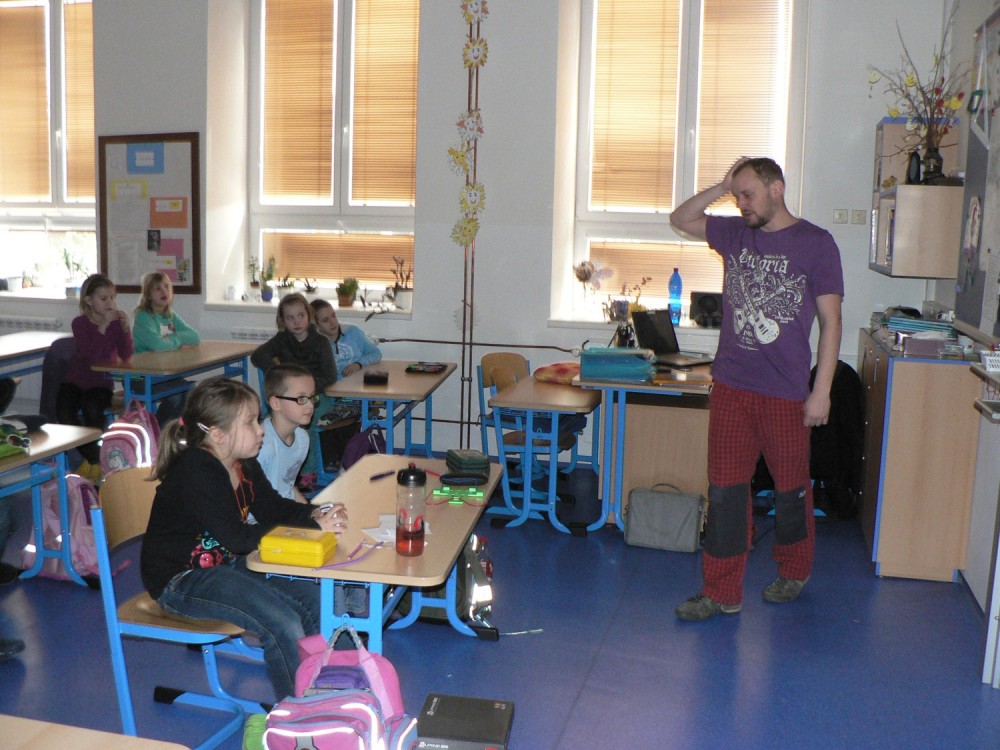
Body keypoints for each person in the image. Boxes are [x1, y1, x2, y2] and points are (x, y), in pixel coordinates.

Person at [669, 156, 844, 621]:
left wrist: (821, 391)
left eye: (748, 194)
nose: (741, 204)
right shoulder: (735, 233)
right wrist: (721, 186)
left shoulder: (816, 244)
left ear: (776, 189)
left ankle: (794, 569)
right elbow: (681, 218)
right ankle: (721, 591)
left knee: (791, 492)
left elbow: (831, 322)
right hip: (731, 388)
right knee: (726, 494)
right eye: (737, 196)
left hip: (786, 392)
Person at [139, 376, 346, 701]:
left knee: (315, 597)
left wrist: (315, 514)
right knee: (282, 622)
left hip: (225, 565)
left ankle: (328, 689)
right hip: (180, 580)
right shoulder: (197, 471)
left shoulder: (242, 462)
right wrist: (312, 528)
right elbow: (237, 538)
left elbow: (272, 507)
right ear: (217, 434)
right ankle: (298, 714)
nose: (260, 429)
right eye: (250, 422)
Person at [251, 293, 337, 491]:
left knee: (307, 424)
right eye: (290, 318)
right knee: (270, 423)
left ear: (309, 316)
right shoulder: (282, 339)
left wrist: (306, 391)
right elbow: (258, 355)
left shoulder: (320, 342)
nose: (296, 322)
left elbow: (330, 376)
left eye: (300, 316)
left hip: (317, 396)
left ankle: (307, 473)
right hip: (288, 396)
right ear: (282, 321)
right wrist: (279, 374)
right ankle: (271, 470)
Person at [57, 273, 134, 482]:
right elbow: (91, 354)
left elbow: (126, 354)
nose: (110, 303)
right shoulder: (79, 323)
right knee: (64, 412)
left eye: (112, 298)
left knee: (92, 408)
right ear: (89, 300)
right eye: (104, 298)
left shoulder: (116, 324)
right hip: (75, 380)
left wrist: (125, 330)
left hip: (100, 382)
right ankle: (92, 459)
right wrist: (102, 328)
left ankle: (96, 461)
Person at [132, 272, 201, 425]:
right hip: (138, 376)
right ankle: (158, 433)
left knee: (190, 390)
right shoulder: (143, 316)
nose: (164, 291)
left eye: (167, 287)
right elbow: (157, 345)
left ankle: (171, 431)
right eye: (157, 289)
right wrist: (178, 340)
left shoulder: (170, 315)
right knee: (174, 397)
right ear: (148, 295)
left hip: (162, 374)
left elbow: (195, 337)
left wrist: (174, 338)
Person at [257, 364, 317, 503]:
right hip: (264, 512)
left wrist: (309, 509)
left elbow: (287, 486)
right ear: (276, 403)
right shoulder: (261, 446)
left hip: (284, 508)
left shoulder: (302, 438)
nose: (310, 405)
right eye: (301, 398)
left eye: (312, 397)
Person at [309, 298, 383, 379]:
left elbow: (376, 353)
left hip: (357, 383)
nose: (333, 322)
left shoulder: (352, 332)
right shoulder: (315, 343)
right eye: (325, 320)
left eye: (333, 316)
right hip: (331, 385)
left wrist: (358, 364)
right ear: (315, 324)